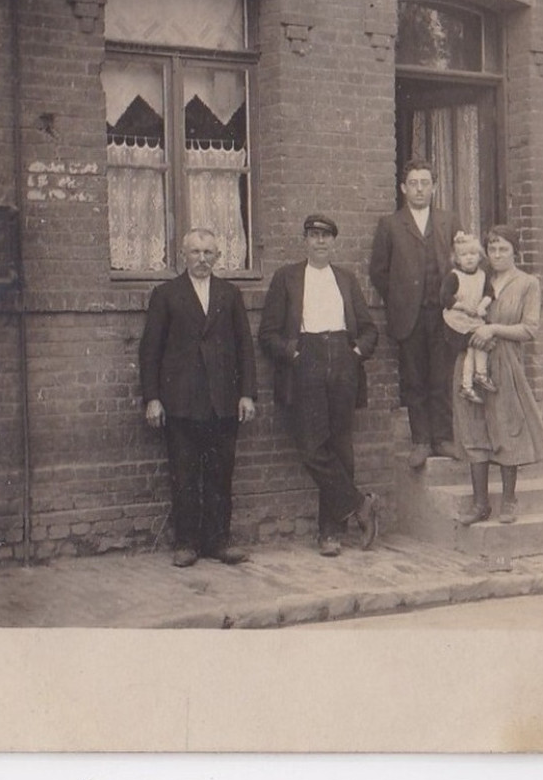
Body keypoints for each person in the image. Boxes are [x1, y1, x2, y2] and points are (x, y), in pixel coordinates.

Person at [259, 214, 380, 557]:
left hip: (342, 357)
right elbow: (267, 333)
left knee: (341, 448)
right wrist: (294, 353)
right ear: (305, 240)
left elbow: (370, 329)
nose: (320, 242)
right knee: (312, 447)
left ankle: (331, 533)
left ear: (333, 242)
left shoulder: (346, 279)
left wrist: (355, 353)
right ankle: (360, 504)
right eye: (313, 235)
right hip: (306, 358)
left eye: (326, 237)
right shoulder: (287, 278)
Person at [139, 228, 257, 567]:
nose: (202, 259)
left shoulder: (230, 294)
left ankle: (218, 540)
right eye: (195, 252)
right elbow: (151, 351)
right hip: (181, 402)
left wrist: (247, 394)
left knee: (221, 474)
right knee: (184, 473)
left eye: (208, 253)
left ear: (217, 257)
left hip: (222, 401)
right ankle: (186, 542)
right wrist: (152, 398)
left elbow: (244, 348)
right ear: (183, 255)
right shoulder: (166, 295)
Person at [452, 225, 543, 526]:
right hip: (470, 357)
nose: (497, 255)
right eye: (492, 249)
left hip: (505, 362)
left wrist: (493, 329)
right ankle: (480, 502)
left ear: (514, 252)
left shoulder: (527, 283)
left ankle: (509, 500)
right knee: (473, 427)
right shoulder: (477, 278)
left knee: (507, 426)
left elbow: (530, 329)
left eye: (503, 249)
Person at [369, 159, 462, 469]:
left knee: (442, 376)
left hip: (444, 315)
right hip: (409, 316)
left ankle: (443, 438)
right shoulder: (391, 224)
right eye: (413, 183)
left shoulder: (449, 221)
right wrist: (400, 300)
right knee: (415, 379)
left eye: (425, 182)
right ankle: (421, 440)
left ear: (434, 187)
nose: (419, 188)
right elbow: (379, 271)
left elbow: (463, 264)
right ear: (403, 188)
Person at [440, 232, 496, 404]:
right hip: (457, 321)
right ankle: (477, 376)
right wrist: (463, 306)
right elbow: (445, 298)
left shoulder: (482, 275)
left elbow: (489, 294)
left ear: (480, 256)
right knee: (474, 346)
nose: (469, 258)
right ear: (457, 259)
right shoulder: (454, 276)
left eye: (473, 254)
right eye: (464, 255)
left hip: (474, 318)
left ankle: (470, 383)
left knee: (475, 348)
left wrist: (481, 306)